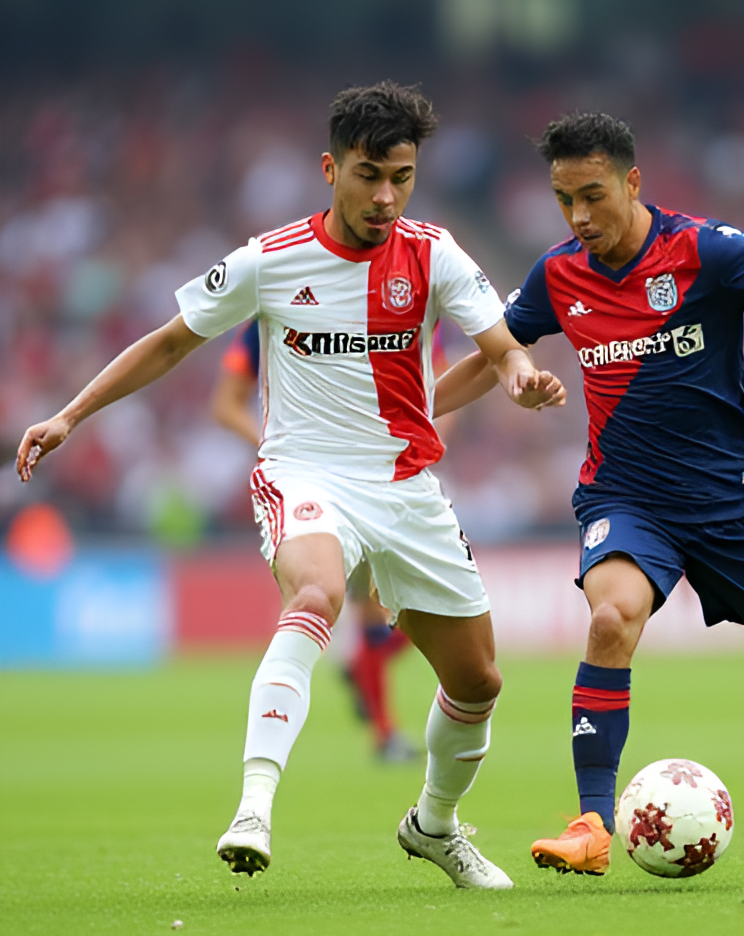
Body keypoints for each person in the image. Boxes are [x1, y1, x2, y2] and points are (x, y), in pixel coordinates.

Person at [17, 81, 565, 889]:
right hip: (304, 469)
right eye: (369, 174)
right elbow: (170, 343)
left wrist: (520, 375)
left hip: (404, 482)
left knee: (478, 680)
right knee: (314, 596)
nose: (386, 195)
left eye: (402, 177)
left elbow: (500, 342)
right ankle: (254, 806)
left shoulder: (433, 251)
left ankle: (435, 827)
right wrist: (70, 415)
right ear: (330, 168)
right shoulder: (269, 260)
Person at [435, 112, 744, 875]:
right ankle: (593, 826)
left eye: (593, 195)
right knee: (609, 619)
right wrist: (414, 411)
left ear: (633, 182)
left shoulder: (702, 250)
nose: (579, 216)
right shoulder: (558, 274)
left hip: (730, 506)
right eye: (565, 199)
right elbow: (499, 347)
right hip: (625, 497)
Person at [213, 319, 421, 762]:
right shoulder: (267, 316)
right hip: (319, 493)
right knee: (371, 610)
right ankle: (384, 732)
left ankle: (362, 669)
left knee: (414, 610)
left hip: (389, 475)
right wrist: (279, 449)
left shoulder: (383, 305)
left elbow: (433, 379)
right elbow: (226, 405)